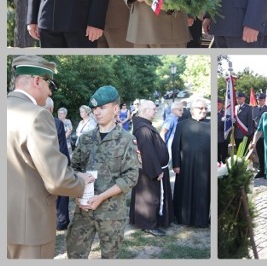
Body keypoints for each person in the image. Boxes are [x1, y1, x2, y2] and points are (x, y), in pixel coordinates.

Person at [7, 56, 91, 258]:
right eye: (49, 84)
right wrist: (81, 182)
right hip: (29, 228)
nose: (50, 91)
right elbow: (57, 180)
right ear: (37, 80)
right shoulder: (38, 115)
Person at [66, 86, 139, 259]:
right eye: (94, 109)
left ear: (115, 109)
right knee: (75, 254)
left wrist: (101, 197)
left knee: (110, 256)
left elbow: (130, 176)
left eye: (102, 108)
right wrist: (77, 195)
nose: (96, 112)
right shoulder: (86, 139)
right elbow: (72, 169)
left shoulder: (127, 140)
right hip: (83, 210)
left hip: (111, 213)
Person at [130, 100, 173, 236]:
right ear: (145, 110)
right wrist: (156, 171)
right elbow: (147, 151)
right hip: (150, 169)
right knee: (150, 197)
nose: (156, 111)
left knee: (147, 196)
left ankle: (149, 220)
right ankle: (149, 224)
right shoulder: (143, 129)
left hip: (150, 167)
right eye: (154, 109)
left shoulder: (144, 125)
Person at [172, 99, 211, 227]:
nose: (204, 111)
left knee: (202, 192)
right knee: (185, 190)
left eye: (205, 108)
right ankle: (183, 218)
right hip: (186, 165)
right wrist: (176, 164)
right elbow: (175, 146)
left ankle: (200, 219)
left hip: (205, 166)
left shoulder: (210, 124)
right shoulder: (182, 125)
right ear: (193, 110)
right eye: (201, 108)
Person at [45, 97, 72, 231]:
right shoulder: (57, 123)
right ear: (51, 109)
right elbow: (62, 147)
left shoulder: (29, 121)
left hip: (38, 166)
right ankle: (61, 222)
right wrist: (67, 164)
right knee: (62, 192)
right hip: (56, 164)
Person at [252, 93, 267, 178]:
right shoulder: (254, 109)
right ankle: (261, 171)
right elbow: (253, 122)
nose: (260, 101)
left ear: (264, 100)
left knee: (266, 154)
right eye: (258, 100)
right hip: (257, 134)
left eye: (261, 100)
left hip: (265, 134)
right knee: (260, 154)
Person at [217, 98, 229, 163]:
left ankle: (225, 171)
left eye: (218, 104)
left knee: (224, 156)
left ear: (221, 104)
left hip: (223, 138)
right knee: (216, 157)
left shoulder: (225, 113)